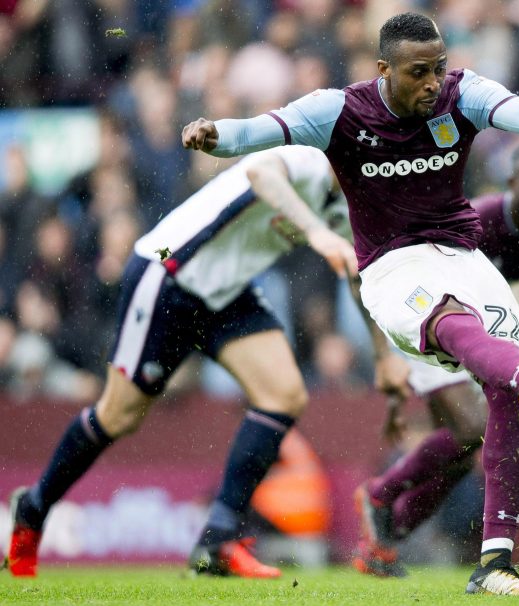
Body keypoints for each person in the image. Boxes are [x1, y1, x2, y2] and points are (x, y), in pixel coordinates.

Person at [181, 13, 519, 596]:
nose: (432, 82)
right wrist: (215, 134)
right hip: (392, 268)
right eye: (418, 73)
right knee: (462, 337)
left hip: (463, 258)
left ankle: (496, 564)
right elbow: (257, 132)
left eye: (438, 68)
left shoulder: (461, 94)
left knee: (507, 402)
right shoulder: (338, 110)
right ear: (383, 69)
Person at [6, 145, 357, 579]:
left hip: (226, 293)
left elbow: (358, 270)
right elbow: (262, 174)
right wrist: (313, 230)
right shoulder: (309, 159)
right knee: (118, 417)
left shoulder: (345, 204)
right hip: (171, 272)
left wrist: (386, 360)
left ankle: (218, 540)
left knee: (283, 394)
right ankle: (34, 507)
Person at [351, 143, 519, 577]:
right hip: (433, 316)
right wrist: (383, 356)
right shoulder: (479, 221)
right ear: (511, 184)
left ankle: (384, 534)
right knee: (469, 430)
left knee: (464, 444)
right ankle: (379, 495)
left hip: (487, 335)